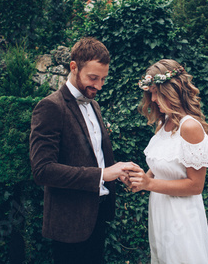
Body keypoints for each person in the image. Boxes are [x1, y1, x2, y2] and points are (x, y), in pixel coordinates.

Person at [29, 37, 134, 264]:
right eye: (93, 78)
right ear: (73, 67)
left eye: (103, 79)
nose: (99, 86)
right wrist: (102, 175)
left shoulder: (93, 104)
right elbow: (43, 170)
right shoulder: (50, 107)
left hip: (97, 216)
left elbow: (92, 155)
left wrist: (118, 173)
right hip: (69, 224)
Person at [127, 59, 208, 264]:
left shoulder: (190, 127)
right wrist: (140, 179)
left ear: (173, 90)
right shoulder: (164, 122)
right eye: (151, 93)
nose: (153, 98)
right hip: (160, 210)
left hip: (181, 217)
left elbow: (196, 186)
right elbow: (162, 166)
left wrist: (149, 184)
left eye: (157, 92)